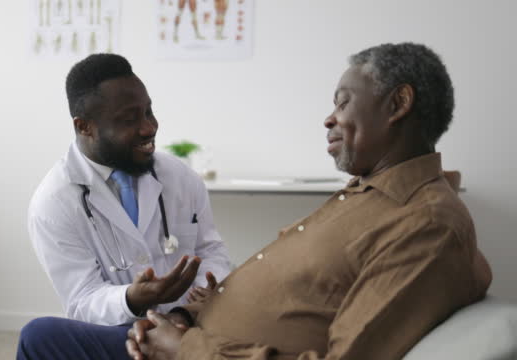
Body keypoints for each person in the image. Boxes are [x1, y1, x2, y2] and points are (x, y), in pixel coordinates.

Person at [125, 42, 493, 360]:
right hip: (184, 336)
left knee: (64, 341)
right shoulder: (368, 196)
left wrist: (187, 350)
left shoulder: (426, 224)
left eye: (343, 103)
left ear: (398, 103)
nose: (329, 119)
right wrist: (186, 318)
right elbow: (305, 299)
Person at [16, 53, 231, 359]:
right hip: (125, 333)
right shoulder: (53, 203)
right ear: (84, 127)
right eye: (130, 119)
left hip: (191, 325)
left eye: (149, 111)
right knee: (38, 336)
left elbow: (212, 252)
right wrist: (132, 298)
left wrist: (186, 312)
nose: (149, 128)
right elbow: (82, 300)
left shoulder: (180, 177)